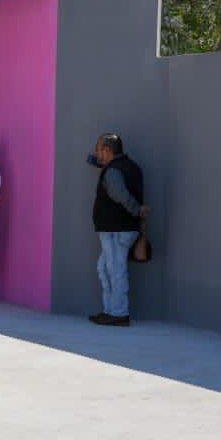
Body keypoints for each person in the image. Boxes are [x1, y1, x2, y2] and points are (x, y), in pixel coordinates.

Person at [89, 132, 149, 326]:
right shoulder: (130, 167)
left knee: (115, 270)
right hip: (119, 228)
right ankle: (109, 310)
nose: (96, 153)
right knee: (105, 268)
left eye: (98, 149)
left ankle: (119, 313)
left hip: (116, 229)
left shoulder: (113, 171)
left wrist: (137, 210)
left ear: (107, 150)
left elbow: (120, 195)